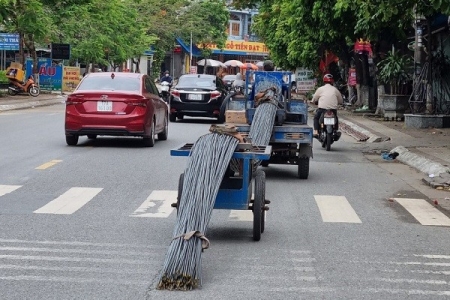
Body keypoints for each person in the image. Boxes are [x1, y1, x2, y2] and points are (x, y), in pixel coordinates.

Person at [311, 74, 343, 138]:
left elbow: (314, 98)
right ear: (332, 81)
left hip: (322, 109)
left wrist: (313, 101)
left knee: (316, 118)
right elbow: (340, 101)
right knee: (335, 118)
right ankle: (335, 131)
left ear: (324, 81)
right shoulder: (335, 90)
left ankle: (316, 132)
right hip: (333, 110)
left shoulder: (320, 89)